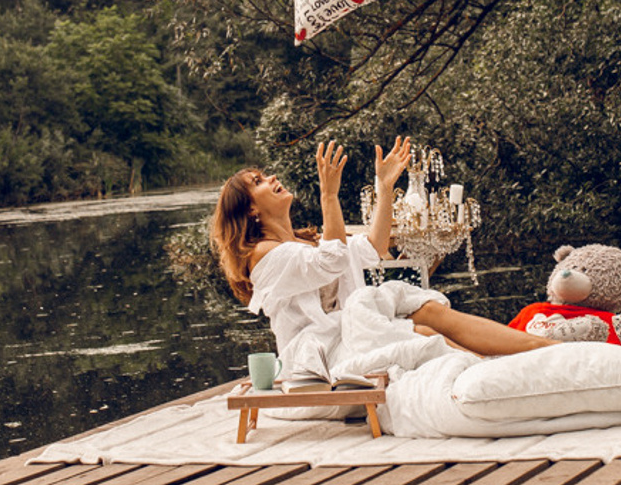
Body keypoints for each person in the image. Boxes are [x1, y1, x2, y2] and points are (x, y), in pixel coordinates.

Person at [209, 137, 554, 368]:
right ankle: (496, 372)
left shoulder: (307, 243)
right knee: (422, 335)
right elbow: (332, 260)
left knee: (428, 310)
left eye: (264, 175)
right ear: (250, 210)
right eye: (258, 182)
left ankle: (542, 350)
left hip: (357, 331)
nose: (271, 178)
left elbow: (374, 247)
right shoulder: (264, 256)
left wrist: (385, 187)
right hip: (323, 354)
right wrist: (329, 196)